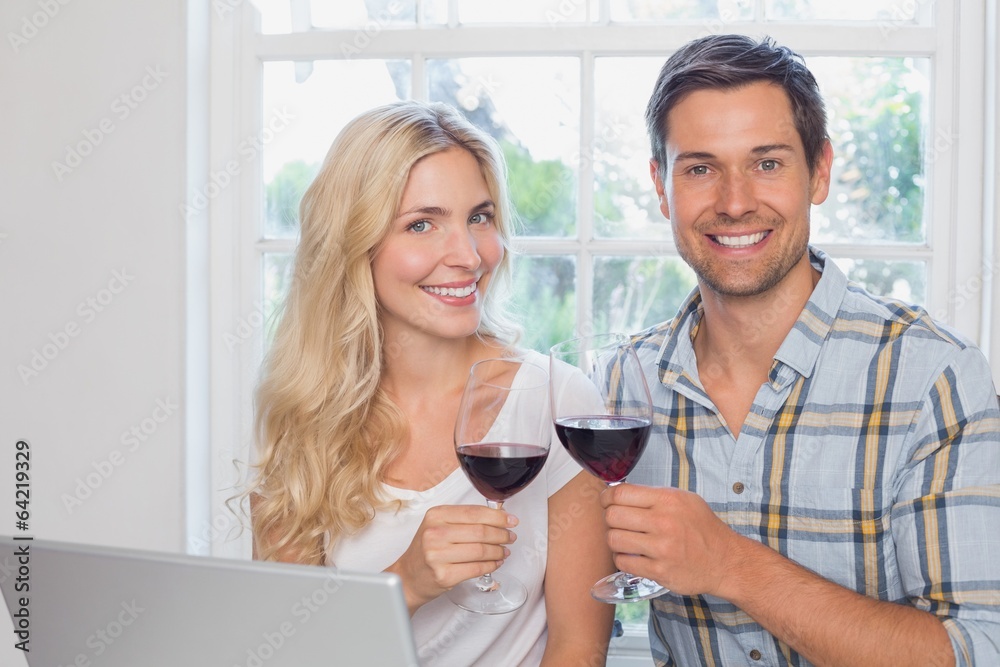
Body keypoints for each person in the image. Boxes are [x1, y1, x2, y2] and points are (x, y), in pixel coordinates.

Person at [601, 34, 1000, 667]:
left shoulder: (934, 378)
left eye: (767, 163)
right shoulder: (622, 386)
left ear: (819, 171)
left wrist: (730, 564)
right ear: (661, 185)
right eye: (700, 168)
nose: (734, 203)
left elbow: (976, 651)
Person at [244, 100, 613, 666]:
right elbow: (291, 651)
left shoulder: (559, 401)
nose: (467, 256)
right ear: (354, 245)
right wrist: (406, 583)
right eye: (422, 224)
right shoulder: (304, 412)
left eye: (480, 217)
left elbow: (577, 651)